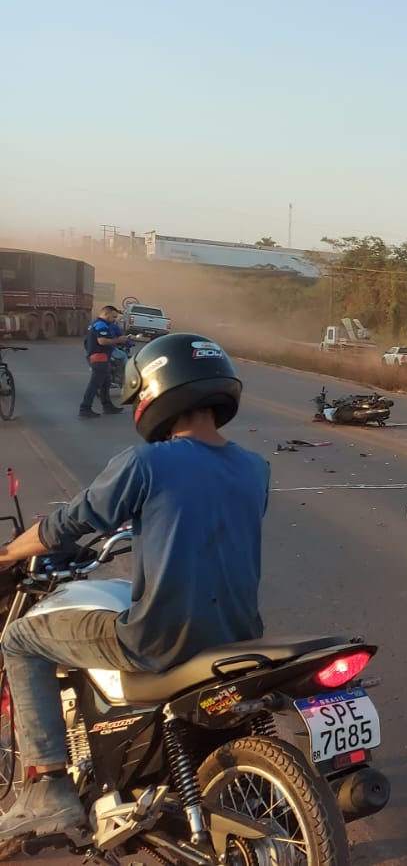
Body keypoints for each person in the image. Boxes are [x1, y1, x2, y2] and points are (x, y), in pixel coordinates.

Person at [0, 334, 269, 841]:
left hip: (160, 640)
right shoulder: (256, 468)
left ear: (155, 392)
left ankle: (48, 790)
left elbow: (68, 525)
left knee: (20, 640)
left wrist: (12, 551)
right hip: (239, 635)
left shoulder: (147, 462)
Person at [79, 305, 127, 418]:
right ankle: (85, 408)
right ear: (106, 314)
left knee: (106, 383)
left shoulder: (98, 324)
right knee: (95, 384)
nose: (115, 319)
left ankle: (107, 406)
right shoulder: (101, 325)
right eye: (113, 317)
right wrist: (118, 340)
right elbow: (102, 341)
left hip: (103, 357)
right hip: (99, 357)